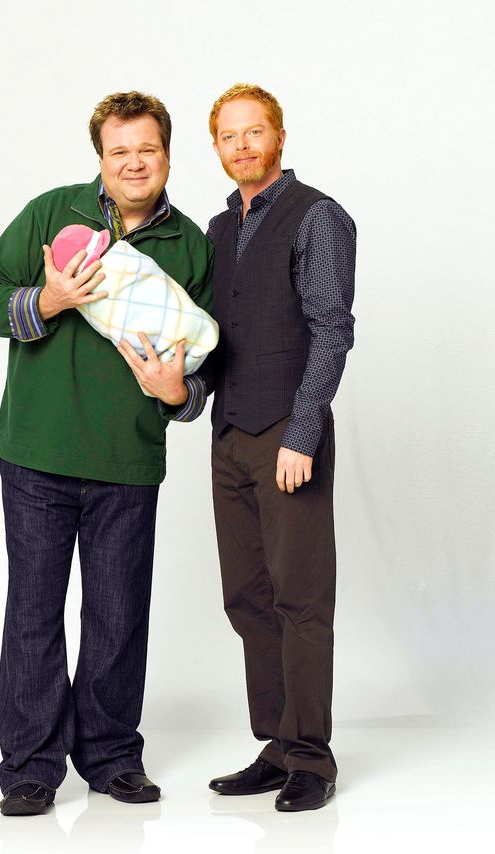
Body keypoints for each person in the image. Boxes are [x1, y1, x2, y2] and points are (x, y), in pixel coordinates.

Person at [0, 91, 211, 815]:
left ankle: (110, 757)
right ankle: (30, 767)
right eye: (119, 151)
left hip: (127, 459)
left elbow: (206, 367)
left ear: (168, 155)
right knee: (33, 613)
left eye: (147, 149)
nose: (134, 163)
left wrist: (180, 392)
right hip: (37, 453)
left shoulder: (191, 245)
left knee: (118, 616)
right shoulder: (53, 214)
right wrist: (49, 300)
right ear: (100, 158)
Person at [198, 83, 356, 811]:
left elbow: (331, 329)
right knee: (247, 596)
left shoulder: (316, 215)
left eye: (254, 131)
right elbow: (213, 340)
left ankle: (312, 758)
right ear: (217, 147)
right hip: (229, 434)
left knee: (300, 599)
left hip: (287, 440)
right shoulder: (217, 229)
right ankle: (277, 744)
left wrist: (302, 433)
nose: (242, 146)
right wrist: (181, 394)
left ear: (280, 137)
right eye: (229, 136)